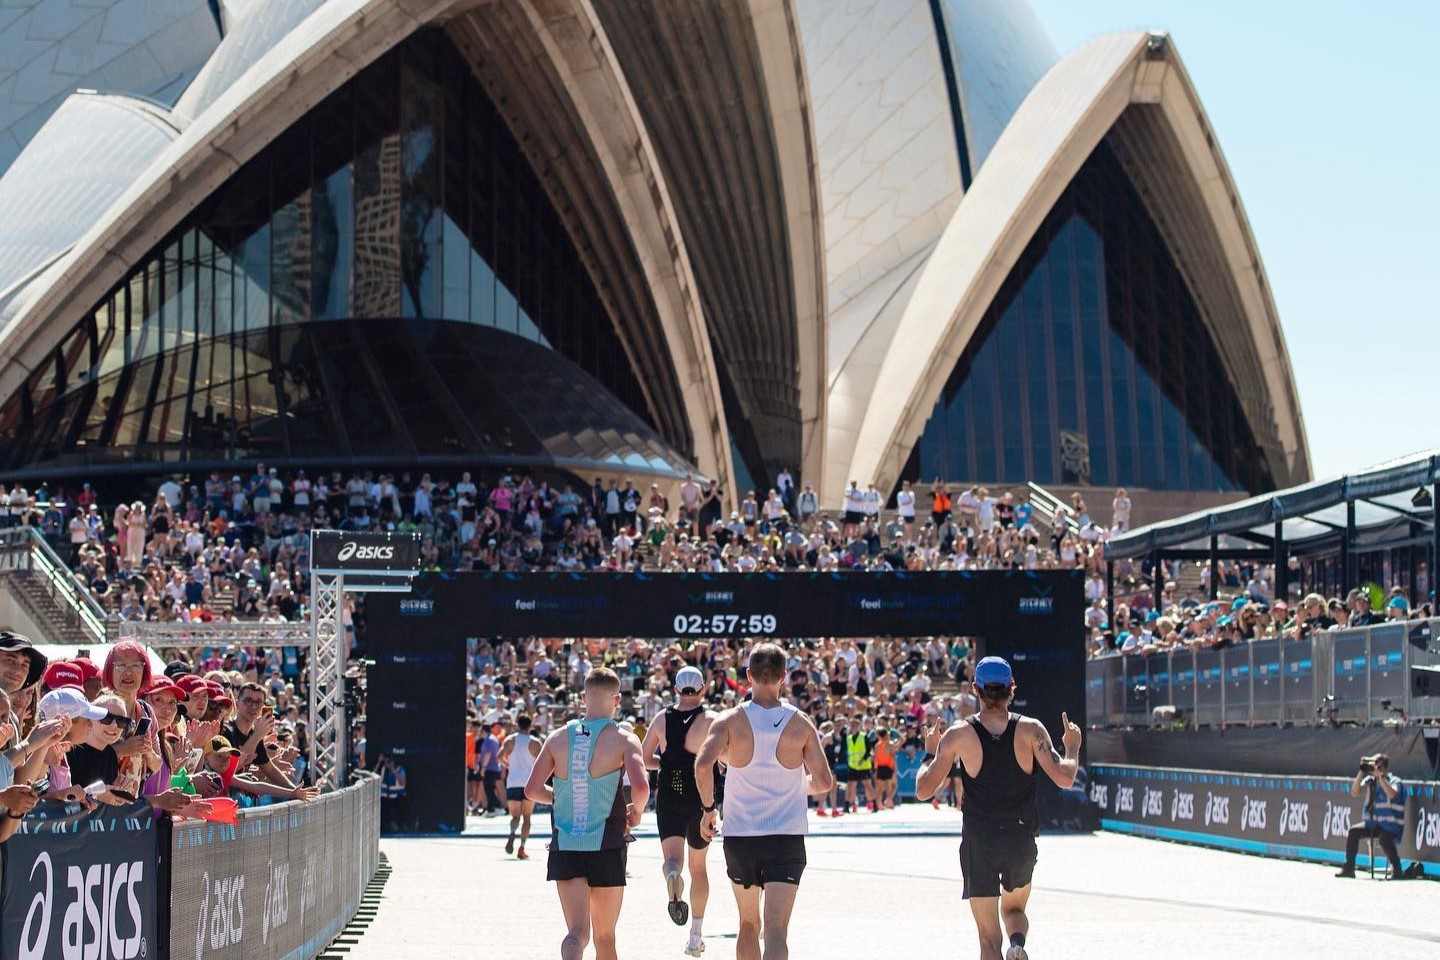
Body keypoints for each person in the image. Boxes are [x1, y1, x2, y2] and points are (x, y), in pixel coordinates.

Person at [915, 657, 1081, 960]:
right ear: (1012, 688)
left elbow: (924, 790)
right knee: (1015, 909)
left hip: (980, 841)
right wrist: (1072, 746)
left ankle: (1006, 947)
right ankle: (1017, 943)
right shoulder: (1031, 730)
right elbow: (1065, 777)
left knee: (988, 939)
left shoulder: (958, 734)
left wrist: (929, 753)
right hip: (1019, 837)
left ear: (975, 689)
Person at [695, 643, 834, 960]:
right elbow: (824, 782)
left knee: (747, 924)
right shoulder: (799, 723)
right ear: (784, 677)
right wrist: (795, 786)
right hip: (785, 838)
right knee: (775, 931)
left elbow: (703, 765)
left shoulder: (729, 721)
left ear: (748, 676)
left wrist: (708, 810)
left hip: (741, 837)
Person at [525, 668, 648, 960]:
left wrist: (563, 796)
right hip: (606, 844)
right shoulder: (624, 738)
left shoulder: (557, 737)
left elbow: (531, 789)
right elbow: (641, 789)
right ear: (617, 700)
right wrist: (637, 813)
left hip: (566, 845)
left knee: (577, 934)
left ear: (583, 698)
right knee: (605, 938)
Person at [640, 665, 717, 955]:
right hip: (699, 794)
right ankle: (695, 936)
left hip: (669, 794)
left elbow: (645, 758)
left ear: (675, 690)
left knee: (673, 860)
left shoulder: (661, 718)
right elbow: (719, 761)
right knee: (699, 868)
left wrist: (667, 764)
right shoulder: (711, 720)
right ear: (702, 689)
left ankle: (672, 876)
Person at [1335, 753, 1419, 879]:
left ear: (1383, 768)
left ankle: (1397, 869)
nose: (1375, 770)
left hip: (1391, 826)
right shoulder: (1370, 781)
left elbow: (1392, 794)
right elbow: (1355, 792)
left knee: (1384, 839)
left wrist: (1381, 778)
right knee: (1353, 831)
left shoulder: (1395, 781)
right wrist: (1361, 772)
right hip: (1374, 824)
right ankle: (1349, 868)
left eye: (1377, 767)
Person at [501, 714, 541, 860]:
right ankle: (522, 848)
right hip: (529, 782)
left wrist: (509, 765)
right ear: (530, 726)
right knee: (527, 817)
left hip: (513, 782)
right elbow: (542, 762)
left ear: (517, 725)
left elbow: (500, 756)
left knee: (515, 816)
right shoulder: (535, 742)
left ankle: (512, 832)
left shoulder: (510, 740)